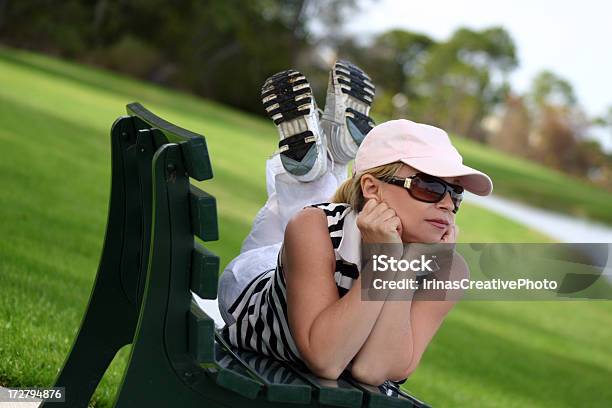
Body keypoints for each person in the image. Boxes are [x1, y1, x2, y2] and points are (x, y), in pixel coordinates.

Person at [217, 60, 493, 395]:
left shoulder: (448, 271)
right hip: (250, 284)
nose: (447, 204)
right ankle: (326, 163)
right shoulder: (312, 227)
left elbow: (372, 369)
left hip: (322, 253)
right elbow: (327, 360)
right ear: (373, 188)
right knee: (305, 222)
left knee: (315, 219)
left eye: (455, 193)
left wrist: (401, 265)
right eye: (429, 188)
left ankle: (327, 161)